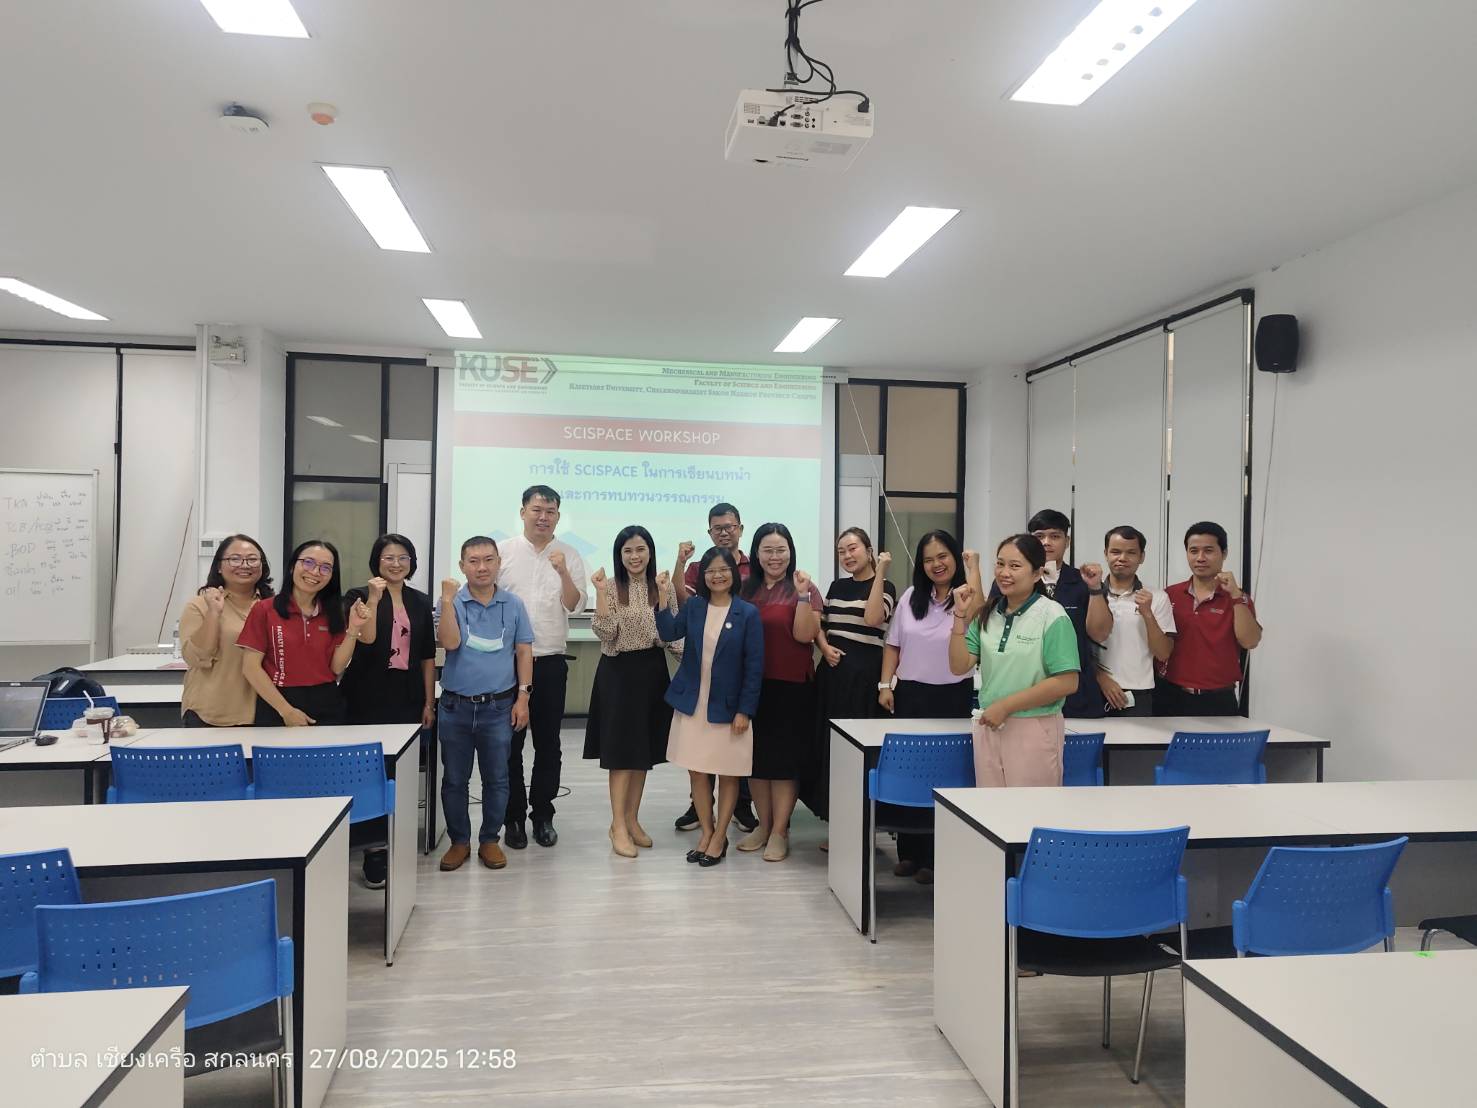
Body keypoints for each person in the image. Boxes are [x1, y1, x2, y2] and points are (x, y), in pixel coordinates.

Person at [656, 548, 764, 867]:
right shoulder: (695, 606)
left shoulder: (747, 613)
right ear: (703, 576)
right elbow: (668, 632)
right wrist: (662, 597)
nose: (717, 575)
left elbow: (754, 667)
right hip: (693, 704)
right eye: (710, 570)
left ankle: (719, 838)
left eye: (723, 569)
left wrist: (745, 710)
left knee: (728, 774)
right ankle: (707, 832)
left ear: (734, 573)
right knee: (697, 771)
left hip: (729, 710)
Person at [341, 534, 437, 889]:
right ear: (376, 561)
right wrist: (374, 598)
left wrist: (428, 702)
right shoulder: (357, 596)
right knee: (368, 771)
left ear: (412, 562)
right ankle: (372, 848)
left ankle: (397, 836)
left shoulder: (420, 601)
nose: (396, 564)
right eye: (388, 557)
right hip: (365, 695)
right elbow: (364, 640)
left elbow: (427, 656)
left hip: (407, 696)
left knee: (400, 769)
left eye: (403, 557)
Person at [950, 534, 1081, 787]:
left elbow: (1067, 681)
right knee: (990, 807)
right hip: (989, 724)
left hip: (1034, 727)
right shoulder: (987, 614)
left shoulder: (1052, 615)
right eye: (1000, 564)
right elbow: (958, 666)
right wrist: (958, 616)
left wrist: (1006, 706)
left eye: (1015, 566)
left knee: (1030, 807)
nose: (1004, 573)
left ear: (1037, 573)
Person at [878, 529, 971, 883]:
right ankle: (909, 853)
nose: (936, 564)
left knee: (944, 778)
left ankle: (935, 857)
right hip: (911, 695)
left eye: (943, 556)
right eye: (929, 559)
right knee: (911, 774)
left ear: (955, 557)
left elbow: (976, 617)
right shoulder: (910, 597)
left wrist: (974, 568)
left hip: (952, 696)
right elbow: (893, 645)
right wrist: (885, 684)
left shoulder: (967, 597)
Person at [497, 484, 588, 850]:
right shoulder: (502, 552)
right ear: (523, 512)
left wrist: (563, 572)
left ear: (558, 517)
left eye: (550, 512)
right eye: (537, 510)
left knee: (548, 744)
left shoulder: (569, 554)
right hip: (506, 664)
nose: (543, 517)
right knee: (509, 745)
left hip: (550, 662)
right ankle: (513, 817)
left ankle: (543, 815)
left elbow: (576, 605)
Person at [437, 537, 534, 872]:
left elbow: (524, 652)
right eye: (474, 561)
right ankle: (459, 841)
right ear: (462, 566)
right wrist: (447, 601)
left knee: (498, 778)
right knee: (454, 779)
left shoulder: (514, 604)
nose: (482, 567)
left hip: (498, 707)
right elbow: (449, 642)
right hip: (455, 708)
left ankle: (490, 839)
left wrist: (523, 697)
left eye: (489, 560)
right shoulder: (451, 601)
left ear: (498, 563)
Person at [584, 525, 678, 858]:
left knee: (643, 753)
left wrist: (664, 597)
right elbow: (605, 633)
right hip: (618, 674)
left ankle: (632, 820)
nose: (635, 556)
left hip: (652, 672)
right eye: (628, 551)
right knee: (621, 755)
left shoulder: (662, 586)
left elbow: (669, 635)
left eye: (640, 549)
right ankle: (618, 826)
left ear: (650, 552)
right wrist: (599, 593)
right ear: (619, 555)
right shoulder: (610, 587)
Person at [736, 522, 822, 862]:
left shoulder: (804, 587)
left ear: (791, 552)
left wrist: (801, 596)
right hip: (752, 686)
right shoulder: (745, 589)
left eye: (781, 550)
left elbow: (805, 635)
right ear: (756, 554)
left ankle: (780, 830)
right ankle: (763, 824)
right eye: (768, 550)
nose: (775, 556)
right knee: (756, 761)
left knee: (784, 762)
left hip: (791, 686)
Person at [672, 502, 758, 834]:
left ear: (740, 528)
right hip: (700, 685)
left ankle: (739, 809)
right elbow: (682, 607)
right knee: (699, 758)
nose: (724, 532)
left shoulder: (755, 568)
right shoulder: (698, 570)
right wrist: (678, 566)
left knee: (732, 761)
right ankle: (701, 811)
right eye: (717, 528)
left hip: (736, 679)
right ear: (709, 532)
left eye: (729, 526)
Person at [808, 528, 896, 832]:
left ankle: (859, 827)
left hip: (864, 680)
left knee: (858, 755)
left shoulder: (885, 586)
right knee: (830, 751)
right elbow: (820, 625)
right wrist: (823, 647)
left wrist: (881, 571)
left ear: (869, 550)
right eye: (841, 551)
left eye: (853, 548)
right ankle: (837, 824)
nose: (847, 555)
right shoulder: (837, 586)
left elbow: (873, 619)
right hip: (832, 677)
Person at [237, 539, 367, 726]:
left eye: (325, 568)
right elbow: (250, 668)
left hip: (327, 702)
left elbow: (336, 668)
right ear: (292, 566)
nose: (315, 572)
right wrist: (286, 710)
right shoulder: (265, 609)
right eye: (308, 562)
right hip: (278, 702)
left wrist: (353, 628)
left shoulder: (334, 613)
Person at [1156, 521, 1262, 716]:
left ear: (1224, 553)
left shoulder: (1238, 598)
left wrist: (1236, 596)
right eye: (1193, 551)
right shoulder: (1169, 595)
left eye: (1208, 551)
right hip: (1171, 695)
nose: (1200, 558)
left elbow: (1250, 641)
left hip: (1219, 699)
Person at [178, 534, 273, 727]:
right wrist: (213, 613)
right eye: (235, 559)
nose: (244, 565)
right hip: (214, 712)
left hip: (267, 711)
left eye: (252, 559)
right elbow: (197, 657)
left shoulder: (273, 606)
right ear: (219, 566)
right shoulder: (199, 606)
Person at [1093, 525, 1175, 717]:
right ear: (1105, 554)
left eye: (1131, 552)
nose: (1122, 558)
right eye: (1115, 551)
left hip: (1138, 693)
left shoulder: (1157, 597)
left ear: (1142, 557)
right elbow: (1077, 646)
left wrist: (1147, 613)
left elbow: (1163, 653)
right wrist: (1100, 677)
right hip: (1094, 688)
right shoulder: (1091, 594)